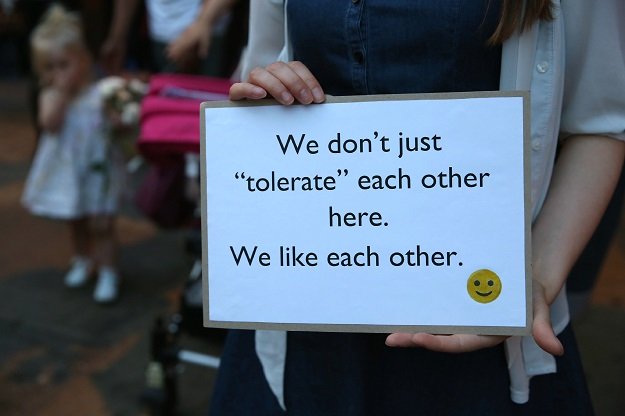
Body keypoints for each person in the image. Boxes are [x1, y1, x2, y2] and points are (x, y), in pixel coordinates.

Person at [209, 1, 625, 414]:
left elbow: (599, 125)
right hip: (303, 304)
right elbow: (257, 78)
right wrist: (266, 93)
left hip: (476, 313)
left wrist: (535, 278)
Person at [22, 5, 125, 304]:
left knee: (102, 224)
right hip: (68, 172)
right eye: (48, 68)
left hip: (98, 170)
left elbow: (115, 124)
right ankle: (83, 258)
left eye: (63, 65)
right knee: (76, 220)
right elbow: (49, 125)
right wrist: (61, 96)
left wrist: (119, 119)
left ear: (82, 59)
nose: (57, 74)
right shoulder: (50, 96)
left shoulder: (100, 93)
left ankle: (108, 270)